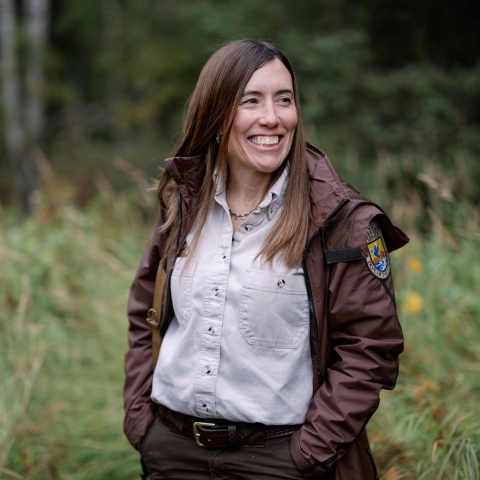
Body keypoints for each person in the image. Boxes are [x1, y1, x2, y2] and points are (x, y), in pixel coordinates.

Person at [123, 39, 409, 480]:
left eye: (284, 100)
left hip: (280, 460)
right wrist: (142, 422)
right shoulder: (184, 202)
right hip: (172, 451)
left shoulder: (341, 219)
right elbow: (147, 311)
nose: (272, 118)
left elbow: (370, 350)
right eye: (250, 101)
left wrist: (308, 453)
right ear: (215, 115)